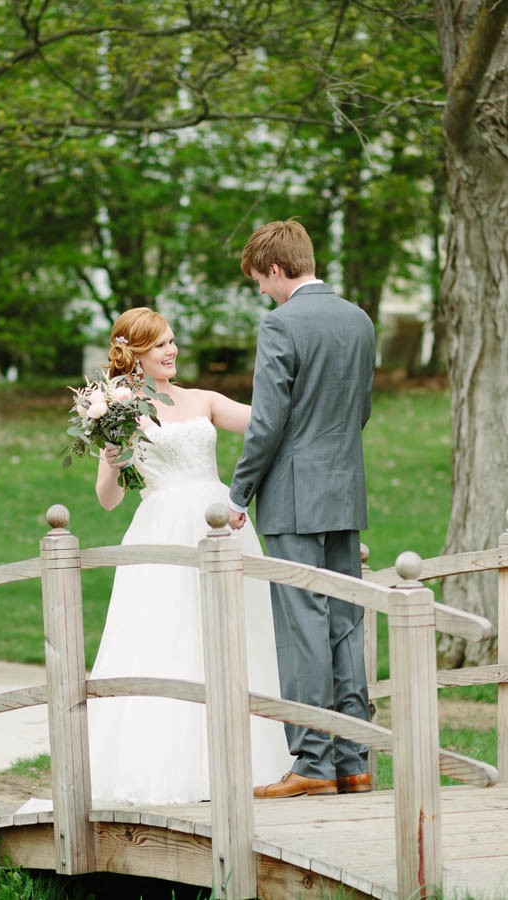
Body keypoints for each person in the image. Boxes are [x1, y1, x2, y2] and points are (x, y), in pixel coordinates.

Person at [85, 306, 293, 805]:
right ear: (132, 353)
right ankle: (172, 766)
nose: (171, 351)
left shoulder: (203, 399)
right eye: (159, 345)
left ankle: (256, 761)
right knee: (171, 635)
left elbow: (269, 422)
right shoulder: (118, 410)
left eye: (172, 341)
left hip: (221, 523)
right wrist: (112, 464)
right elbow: (108, 499)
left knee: (237, 633)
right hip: (162, 529)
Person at [228, 219, 376, 799]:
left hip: (292, 497)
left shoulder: (281, 324)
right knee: (344, 622)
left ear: (276, 269)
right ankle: (353, 760)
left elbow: (267, 423)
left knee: (303, 629)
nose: (262, 291)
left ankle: (313, 764)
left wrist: (238, 493)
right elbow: (360, 408)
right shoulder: (360, 320)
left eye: (260, 280)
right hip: (345, 491)